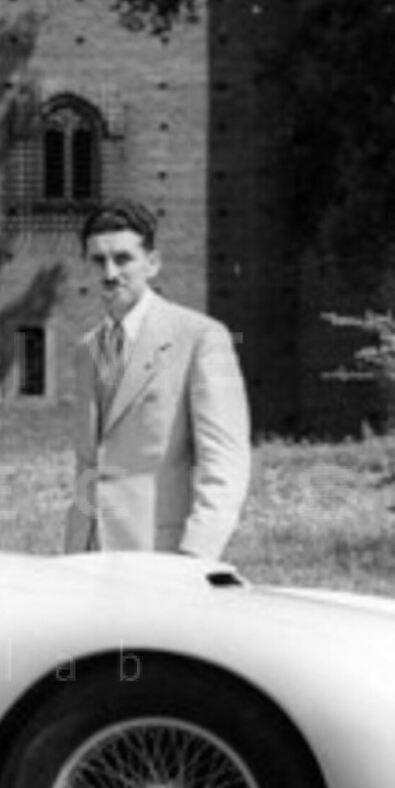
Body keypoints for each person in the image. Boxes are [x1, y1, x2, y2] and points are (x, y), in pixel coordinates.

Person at [66, 199, 251, 558]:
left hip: (162, 555)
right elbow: (90, 463)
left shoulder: (201, 338)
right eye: (98, 261)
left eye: (123, 259)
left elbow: (225, 463)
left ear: (152, 263)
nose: (109, 273)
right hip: (88, 555)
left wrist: (195, 555)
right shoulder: (86, 350)